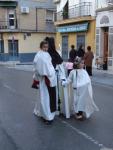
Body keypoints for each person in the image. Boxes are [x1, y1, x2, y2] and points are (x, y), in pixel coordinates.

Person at [33, 41, 57, 125]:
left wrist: (36, 79)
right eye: (44, 47)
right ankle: (47, 116)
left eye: (47, 47)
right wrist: (37, 78)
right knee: (45, 99)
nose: (46, 49)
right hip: (44, 80)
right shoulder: (39, 56)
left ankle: (49, 116)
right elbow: (37, 69)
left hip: (49, 79)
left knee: (48, 98)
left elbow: (49, 66)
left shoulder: (47, 54)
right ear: (41, 47)